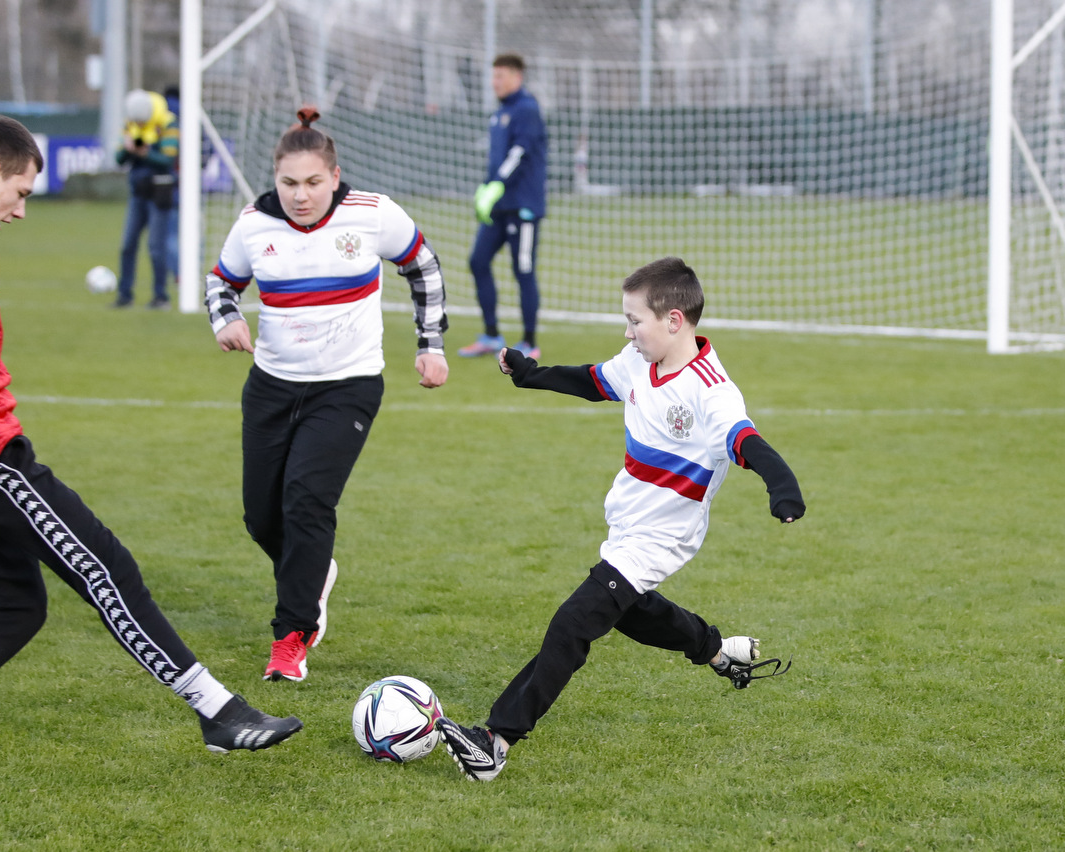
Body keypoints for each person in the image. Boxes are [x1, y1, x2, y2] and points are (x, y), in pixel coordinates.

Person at [0, 115, 301, 775]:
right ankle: (219, 712)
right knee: (107, 568)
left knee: (16, 603)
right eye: (20, 193)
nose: (20, 211)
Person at [437, 257, 805, 781]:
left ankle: (495, 741)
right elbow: (594, 381)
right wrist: (530, 375)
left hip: (664, 537)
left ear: (674, 321)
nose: (627, 332)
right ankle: (720, 652)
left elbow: (746, 442)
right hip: (629, 522)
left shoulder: (711, 390)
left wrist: (782, 489)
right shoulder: (640, 360)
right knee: (630, 612)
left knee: (574, 621)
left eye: (635, 321)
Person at [205, 106, 449, 683]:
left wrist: (430, 343)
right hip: (270, 386)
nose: (300, 195)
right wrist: (225, 319)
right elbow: (222, 281)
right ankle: (316, 573)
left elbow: (424, 266)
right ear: (275, 180)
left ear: (335, 177)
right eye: (288, 183)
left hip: (348, 386)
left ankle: (291, 639)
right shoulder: (253, 224)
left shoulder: (373, 215)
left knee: (307, 501)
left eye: (314, 182)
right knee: (261, 517)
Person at [458, 53, 548, 361]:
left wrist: (495, 184)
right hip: (499, 206)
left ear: (516, 77)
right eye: (493, 76)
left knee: (522, 270)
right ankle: (491, 334)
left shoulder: (527, 109)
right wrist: (487, 188)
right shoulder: (499, 114)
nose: (494, 82)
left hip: (522, 207)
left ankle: (529, 341)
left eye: (500, 76)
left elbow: (519, 154)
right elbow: (497, 159)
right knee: (477, 261)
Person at [114, 89, 178, 309]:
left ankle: (161, 297)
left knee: (155, 247)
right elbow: (119, 158)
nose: (139, 125)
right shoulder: (130, 123)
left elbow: (168, 158)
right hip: (138, 193)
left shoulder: (169, 123)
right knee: (127, 245)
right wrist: (128, 149)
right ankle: (124, 295)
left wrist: (144, 153)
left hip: (159, 193)